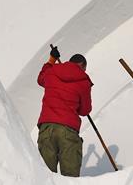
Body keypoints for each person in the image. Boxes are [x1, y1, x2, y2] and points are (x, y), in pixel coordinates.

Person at [35, 45, 92, 177]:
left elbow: (40, 79)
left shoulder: (52, 71)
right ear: (83, 66)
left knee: (45, 178)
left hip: (46, 128)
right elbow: (85, 110)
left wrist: (52, 59)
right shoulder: (84, 80)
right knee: (70, 179)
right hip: (68, 130)